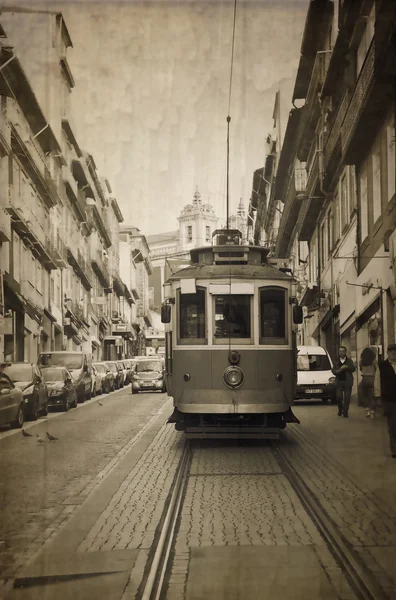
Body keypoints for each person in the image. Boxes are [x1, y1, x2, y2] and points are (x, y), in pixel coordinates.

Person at [375, 343, 396, 458]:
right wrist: (378, 397)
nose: (394, 353)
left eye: (395, 351)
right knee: (393, 425)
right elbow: (377, 381)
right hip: (390, 399)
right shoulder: (382, 366)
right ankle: (394, 449)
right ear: (387, 353)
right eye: (392, 351)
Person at [332, 346, 356, 418]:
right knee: (338, 397)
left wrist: (347, 367)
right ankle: (340, 409)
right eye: (340, 351)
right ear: (338, 352)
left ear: (345, 352)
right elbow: (333, 371)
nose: (341, 352)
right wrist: (339, 370)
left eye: (343, 351)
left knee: (347, 398)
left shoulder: (349, 361)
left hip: (347, 381)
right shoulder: (336, 361)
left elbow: (353, 369)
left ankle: (345, 412)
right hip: (339, 382)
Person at [358, 347, 379, 419]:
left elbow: (361, 369)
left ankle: (367, 411)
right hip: (372, 379)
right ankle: (373, 412)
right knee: (372, 396)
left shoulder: (361, 362)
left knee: (365, 395)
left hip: (364, 379)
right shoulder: (374, 361)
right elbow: (377, 370)